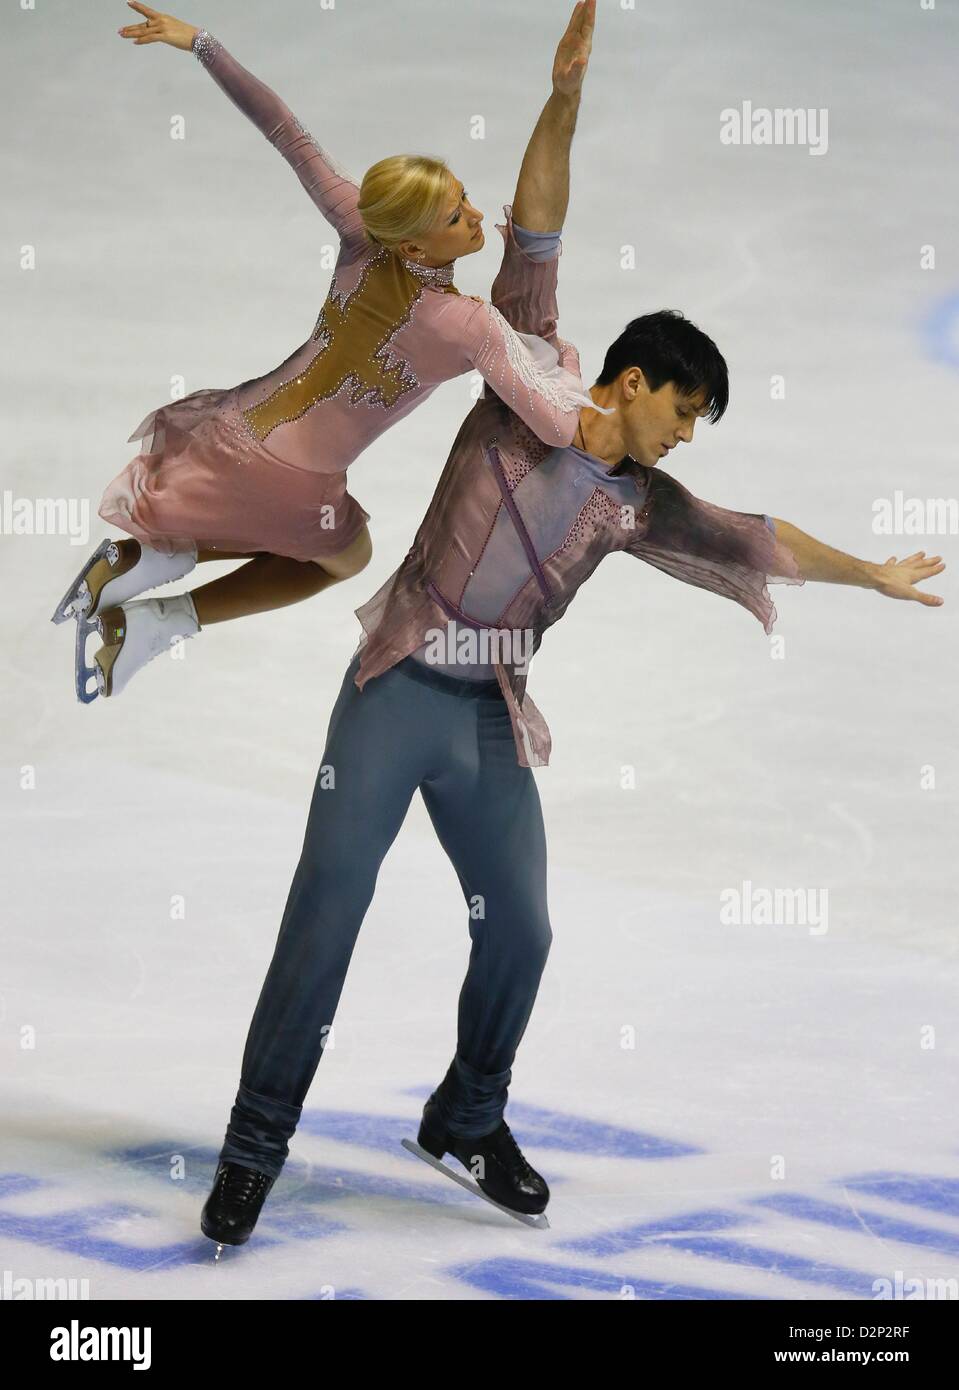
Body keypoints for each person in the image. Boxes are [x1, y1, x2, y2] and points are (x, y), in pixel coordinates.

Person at [196, 35, 946, 1254]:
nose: (688, 435)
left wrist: (872, 571)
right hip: (394, 695)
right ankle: (249, 1149)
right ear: (636, 380)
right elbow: (536, 221)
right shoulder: (527, 364)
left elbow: (755, 539)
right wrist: (561, 97)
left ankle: (465, 1115)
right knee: (326, 910)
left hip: (484, 716)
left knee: (524, 927)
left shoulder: (639, 502)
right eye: (684, 411)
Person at [51, 0, 600, 702]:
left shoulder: (358, 227)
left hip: (226, 429)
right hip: (292, 481)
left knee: (280, 529)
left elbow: (285, 132)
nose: (472, 216)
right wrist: (562, 363)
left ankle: (138, 564)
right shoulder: (469, 325)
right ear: (411, 246)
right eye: (454, 216)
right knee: (346, 557)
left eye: (463, 197)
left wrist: (202, 44)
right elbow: (556, 426)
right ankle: (161, 616)